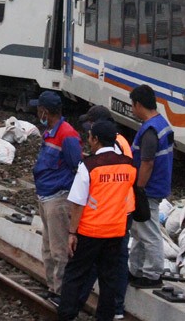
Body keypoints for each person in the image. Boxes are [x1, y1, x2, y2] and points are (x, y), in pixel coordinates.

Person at [58, 121, 136, 321]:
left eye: (91, 136)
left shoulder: (89, 166)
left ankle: (67, 315)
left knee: (75, 275)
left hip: (90, 230)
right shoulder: (128, 165)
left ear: (96, 140)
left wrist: (72, 233)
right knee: (108, 280)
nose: (89, 140)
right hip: (116, 231)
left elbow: (78, 203)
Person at [77, 105, 132, 319]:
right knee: (110, 260)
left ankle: (110, 306)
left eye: (90, 127)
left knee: (108, 260)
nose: (88, 132)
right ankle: (98, 305)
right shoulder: (119, 143)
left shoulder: (115, 145)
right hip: (117, 209)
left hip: (114, 211)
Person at [30, 90, 83, 307]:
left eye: (39, 108)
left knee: (59, 249)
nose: (37, 111)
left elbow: (76, 166)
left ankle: (61, 293)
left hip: (59, 198)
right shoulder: (51, 131)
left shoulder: (67, 135)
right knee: (48, 247)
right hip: (46, 195)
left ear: (45, 111)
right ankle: (52, 288)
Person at [128, 84, 174, 289]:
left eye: (132, 105)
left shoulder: (149, 130)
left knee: (148, 231)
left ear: (138, 104)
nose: (131, 109)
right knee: (139, 231)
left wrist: (138, 188)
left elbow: (147, 162)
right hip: (156, 186)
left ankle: (153, 273)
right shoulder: (161, 124)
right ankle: (136, 269)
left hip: (148, 188)